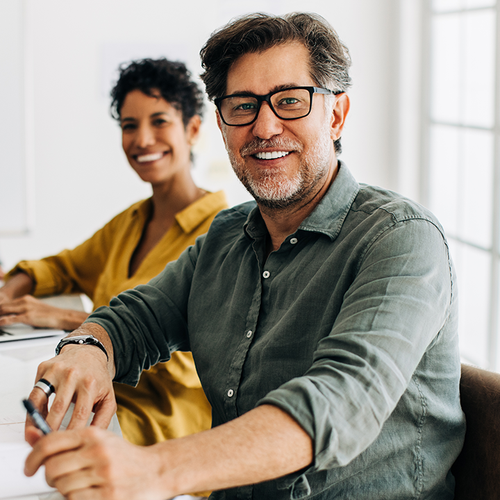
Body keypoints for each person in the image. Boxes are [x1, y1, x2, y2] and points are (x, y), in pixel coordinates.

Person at [23, 12, 465, 500]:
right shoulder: (225, 236)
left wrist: (156, 470)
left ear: (336, 114)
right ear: (221, 122)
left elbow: (340, 403)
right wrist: (87, 350)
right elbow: (137, 318)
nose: (264, 126)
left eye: (290, 101)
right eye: (243, 106)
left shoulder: (402, 238)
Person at [0, 58, 227, 450]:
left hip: (160, 425)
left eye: (159, 121)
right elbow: (61, 267)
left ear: (191, 129)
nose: (142, 139)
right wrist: (8, 294)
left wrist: (69, 320)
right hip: (96, 397)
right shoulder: (132, 221)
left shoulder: (223, 233)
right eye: (129, 125)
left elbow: (186, 359)